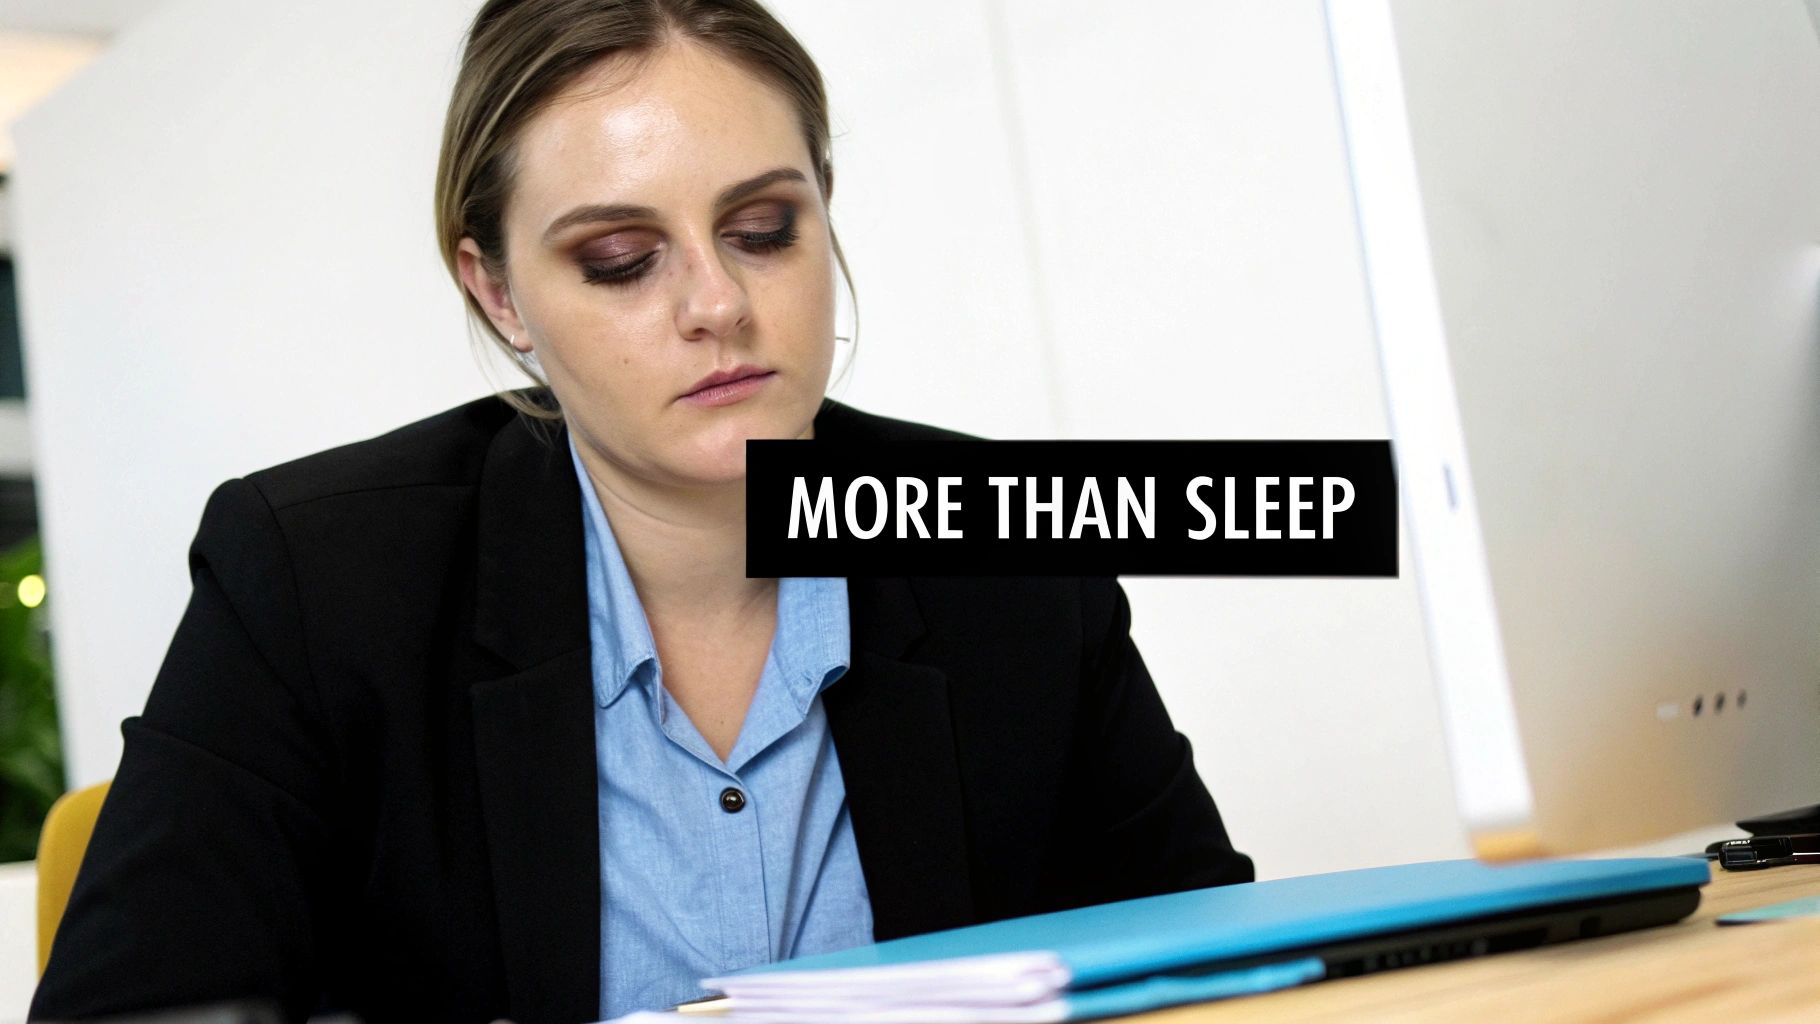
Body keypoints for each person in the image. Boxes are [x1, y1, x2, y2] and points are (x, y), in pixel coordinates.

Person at [30, 1, 1253, 1021]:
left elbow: (1227, 978)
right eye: (620, 259)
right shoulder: (314, 578)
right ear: (498, 292)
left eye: (763, 229)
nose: (715, 302)